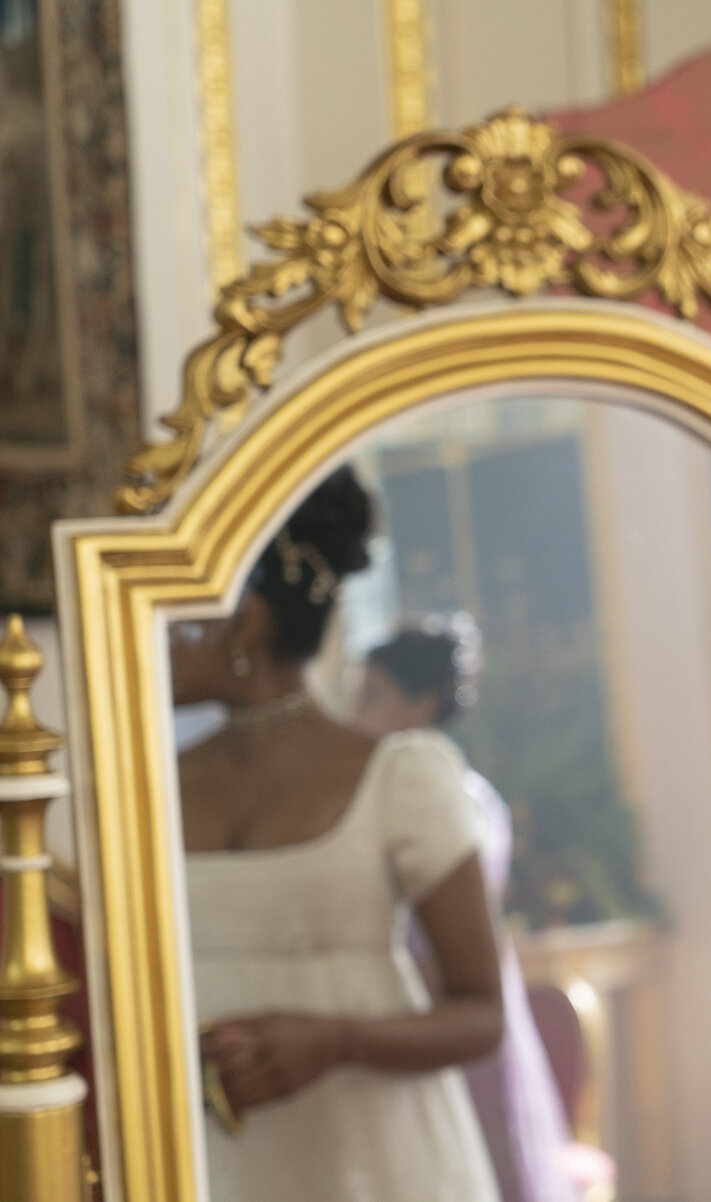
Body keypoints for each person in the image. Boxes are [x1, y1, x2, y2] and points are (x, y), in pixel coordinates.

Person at [172, 468, 504, 1202]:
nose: (153, 628)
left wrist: (337, 1041)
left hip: (379, 1163)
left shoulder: (403, 775)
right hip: (203, 1165)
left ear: (246, 620)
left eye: (174, 609)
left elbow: (483, 1016)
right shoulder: (142, 789)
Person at [357, 618, 582, 1202]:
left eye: (372, 695)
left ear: (421, 703)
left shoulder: (457, 798)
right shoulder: (416, 793)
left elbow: (443, 944)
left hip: (454, 1015)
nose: (357, 713)